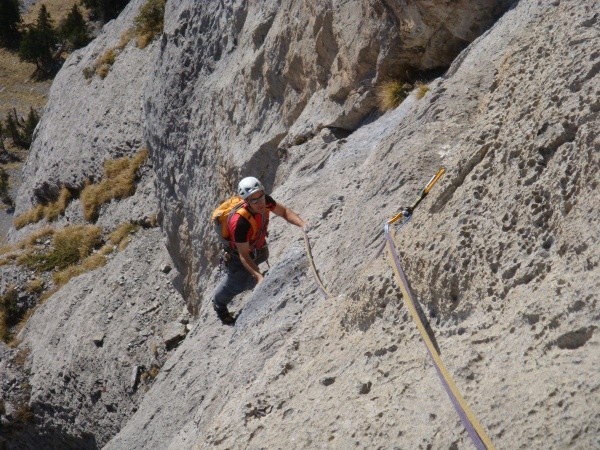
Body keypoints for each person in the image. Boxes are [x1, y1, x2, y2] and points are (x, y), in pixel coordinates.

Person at [213, 176, 305, 325]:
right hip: (238, 257)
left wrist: (303, 225)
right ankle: (218, 303)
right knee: (237, 284)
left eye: (260, 196)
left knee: (258, 268)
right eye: (253, 200)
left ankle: (253, 278)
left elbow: (285, 212)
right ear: (246, 201)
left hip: (258, 248)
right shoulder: (241, 223)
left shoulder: (265, 201)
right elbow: (243, 256)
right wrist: (258, 276)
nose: (259, 202)